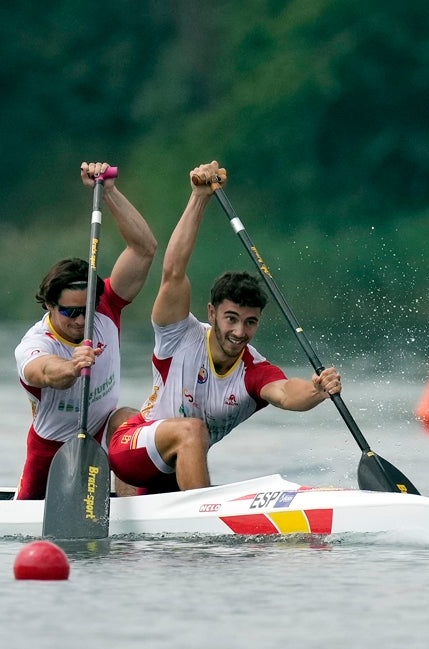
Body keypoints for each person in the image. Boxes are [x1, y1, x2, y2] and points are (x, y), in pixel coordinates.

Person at [108, 161, 341, 493]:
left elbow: (287, 393)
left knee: (189, 435)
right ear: (211, 313)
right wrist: (199, 198)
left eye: (250, 322)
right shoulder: (180, 335)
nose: (239, 332)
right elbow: (173, 270)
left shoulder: (253, 370)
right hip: (133, 453)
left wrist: (318, 390)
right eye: (231, 319)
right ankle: (202, 519)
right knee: (192, 430)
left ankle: (130, 504)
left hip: (172, 476)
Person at [13, 162, 157, 499]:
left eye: (87, 310)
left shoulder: (106, 306)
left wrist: (109, 192)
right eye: (70, 312)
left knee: (128, 419)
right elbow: (45, 373)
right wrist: (71, 366)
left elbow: (144, 249)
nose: (81, 320)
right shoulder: (35, 343)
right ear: (49, 306)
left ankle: (135, 507)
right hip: (52, 451)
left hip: (101, 432)